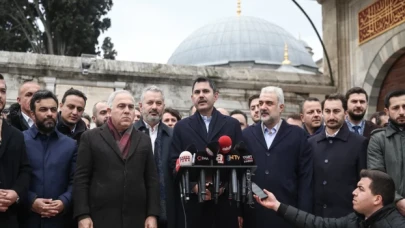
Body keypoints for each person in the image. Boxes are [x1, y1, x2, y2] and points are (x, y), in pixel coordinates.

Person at [73, 90, 160, 228]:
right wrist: (82, 214)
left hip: (136, 218)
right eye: (121, 106)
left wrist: (152, 214)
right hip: (99, 217)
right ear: (109, 110)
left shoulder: (144, 140)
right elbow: (81, 179)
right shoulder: (90, 137)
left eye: (131, 107)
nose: (127, 111)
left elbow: (152, 180)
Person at [169, 77, 243, 228]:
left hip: (225, 204)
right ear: (192, 98)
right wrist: (193, 186)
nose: (201, 95)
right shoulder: (181, 127)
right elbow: (173, 161)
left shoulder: (231, 124)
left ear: (216, 96)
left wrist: (224, 186)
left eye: (205, 91)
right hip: (194, 206)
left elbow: (240, 160)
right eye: (197, 92)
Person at [242, 86, 313, 228]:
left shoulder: (297, 135)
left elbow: (305, 178)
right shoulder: (247, 135)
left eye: (269, 103)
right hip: (254, 215)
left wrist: (303, 216)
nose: (263, 107)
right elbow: (240, 175)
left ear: (281, 107)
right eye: (261, 103)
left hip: (287, 215)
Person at [254, 169, 405, 228]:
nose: (354, 192)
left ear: (377, 199)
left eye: (361, 189)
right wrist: (277, 206)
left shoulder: (396, 225)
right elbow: (319, 224)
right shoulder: (357, 218)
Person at [20, 90, 77, 228]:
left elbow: (76, 180)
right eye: (43, 109)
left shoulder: (70, 145)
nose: (50, 114)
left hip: (59, 221)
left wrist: (65, 201)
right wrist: (31, 201)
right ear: (32, 114)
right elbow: (11, 177)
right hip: (26, 219)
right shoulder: (19, 140)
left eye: (53, 109)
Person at [309, 93, 367, 218]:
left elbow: (363, 182)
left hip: (346, 217)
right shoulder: (311, 143)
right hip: (316, 216)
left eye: (336, 111)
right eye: (327, 111)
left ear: (345, 113)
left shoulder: (360, 143)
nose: (331, 116)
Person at [135, 86, 176, 228]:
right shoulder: (129, 134)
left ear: (163, 107)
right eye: (150, 103)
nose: (154, 107)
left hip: (168, 210)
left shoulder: (173, 136)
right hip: (135, 209)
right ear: (140, 106)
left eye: (158, 103)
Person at [0, 74, 31, 227]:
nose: (0, 95)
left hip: (9, 219)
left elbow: (24, 169)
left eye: (2, 91)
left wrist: (15, 193)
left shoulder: (16, 135)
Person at [368, 89, 405, 216]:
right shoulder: (378, 139)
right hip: (389, 211)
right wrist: (398, 200)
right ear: (387, 111)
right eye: (396, 108)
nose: (401, 112)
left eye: (404, 107)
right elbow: (377, 176)